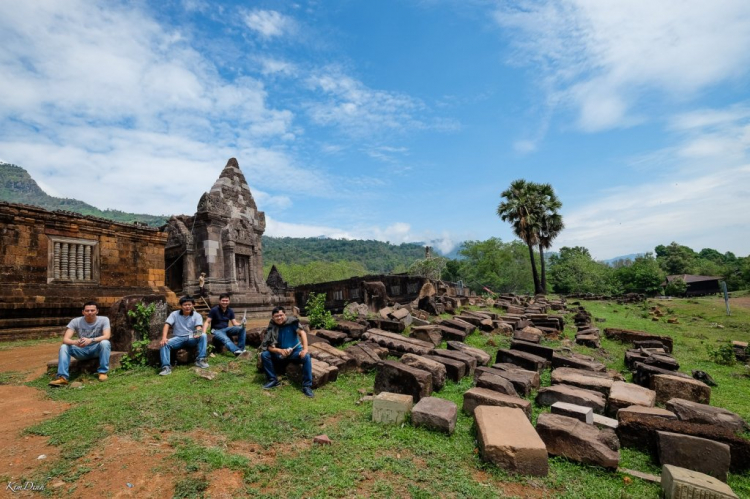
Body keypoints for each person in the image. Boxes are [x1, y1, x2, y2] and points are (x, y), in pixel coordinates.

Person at [49, 301, 112, 386]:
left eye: (92, 310)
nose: (90, 312)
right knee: (64, 347)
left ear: (97, 311)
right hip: (81, 350)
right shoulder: (76, 321)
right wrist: (75, 342)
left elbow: (107, 336)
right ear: (83, 312)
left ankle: (102, 372)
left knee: (105, 343)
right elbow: (65, 339)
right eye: (87, 310)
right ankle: (62, 377)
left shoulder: (104, 320)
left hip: (96, 349)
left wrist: (91, 340)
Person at [260, 306, 314, 397]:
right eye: (276, 316)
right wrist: (279, 350)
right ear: (273, 318)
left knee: (306, 357)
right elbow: (268, 347)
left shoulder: (292, 322)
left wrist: (305, 349)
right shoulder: (272, 326)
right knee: (265, 355)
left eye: (281, 315)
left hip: (294, 353)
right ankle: (273, 380)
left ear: (285, 314)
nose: (279, 318)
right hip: (280, 354)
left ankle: (307, 386)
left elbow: (303, 333)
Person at [159, 296, 208, 376]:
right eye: (185, 305)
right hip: (178, 337)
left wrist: (198, 333)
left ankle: (200, 360)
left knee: (203, 335)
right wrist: (164, 338)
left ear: (193, 305)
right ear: (181, 306)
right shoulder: (174, 314)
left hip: (191, 337)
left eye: (189, 304)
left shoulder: (197, 315)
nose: (187, 307)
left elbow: (199, 327)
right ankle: (166, 367)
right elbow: (167, 325)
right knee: (164, 343)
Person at [205, 293, 250, 358]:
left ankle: (241, 349)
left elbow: (234, 323)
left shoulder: (230, 311)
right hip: (216, 331)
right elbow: (207, 322)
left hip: (226, 329)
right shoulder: (214, 310)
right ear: (219, 301)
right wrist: (203, 333)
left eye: (226, 301)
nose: (225, 302)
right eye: (223, 300)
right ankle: (236, 351)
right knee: (226, 339)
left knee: (242, 328)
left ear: (229, 301)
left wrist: (242, 323)